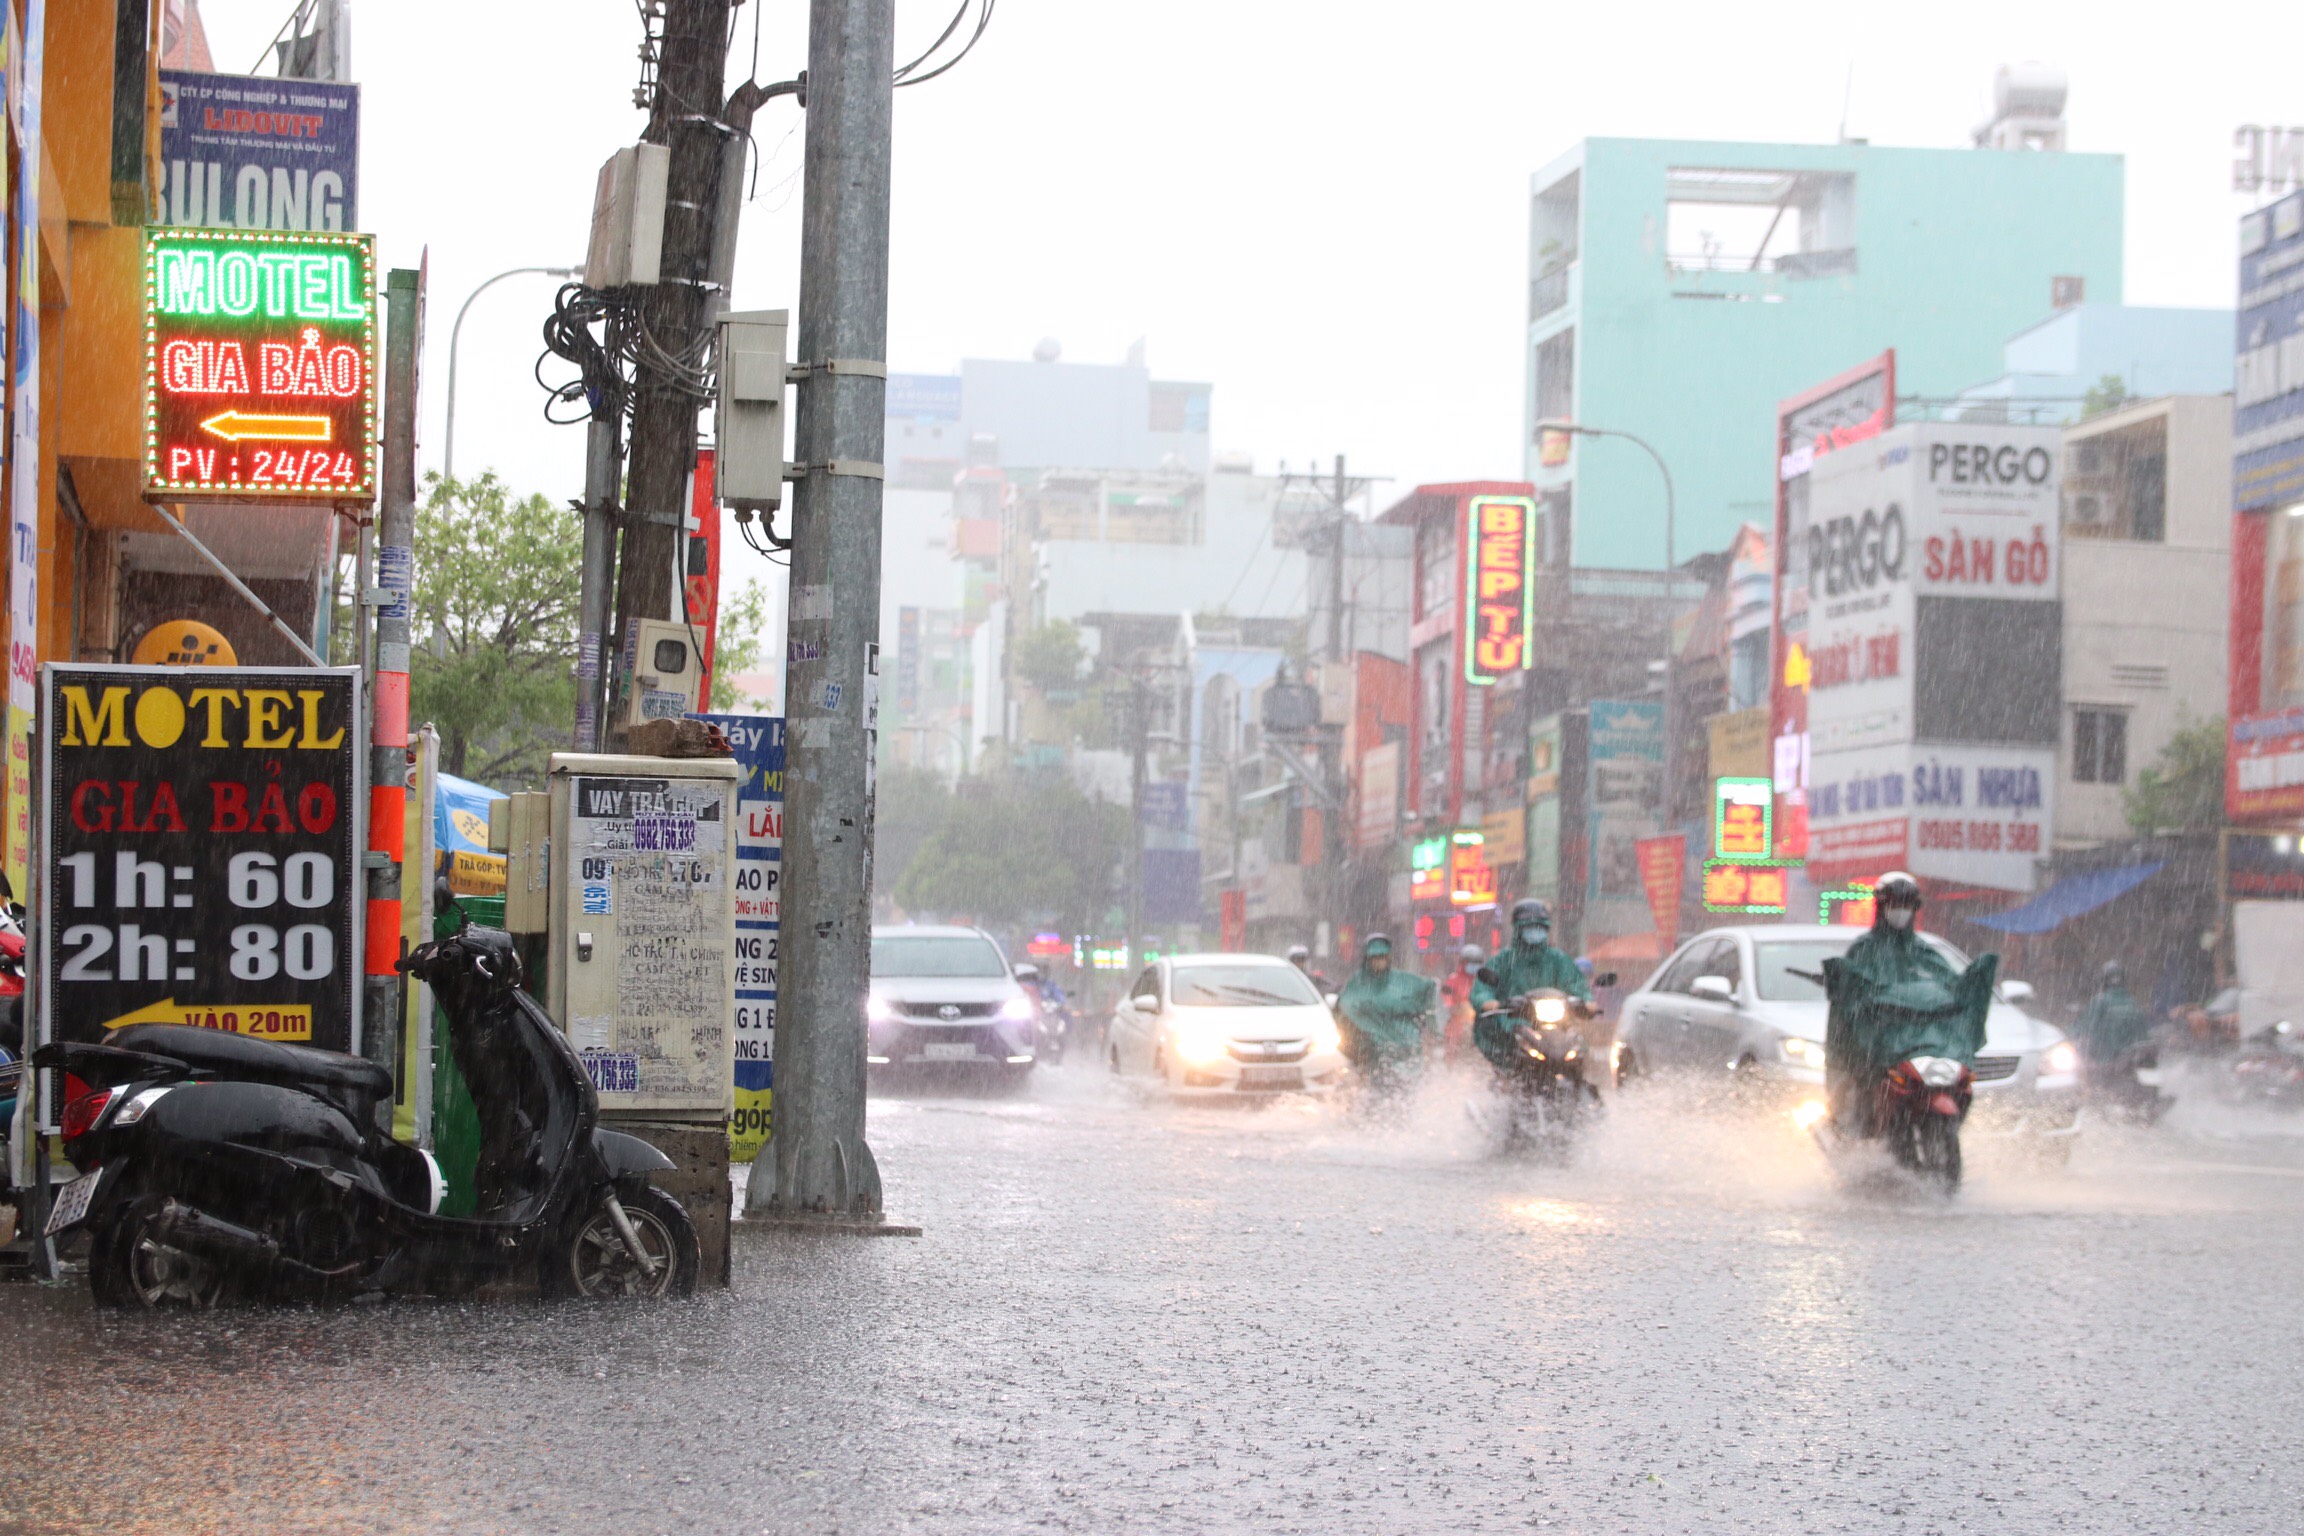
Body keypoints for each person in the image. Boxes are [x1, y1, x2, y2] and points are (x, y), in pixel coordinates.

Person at [1820, 871, 1997, 1138]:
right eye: (1894, 904)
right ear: (1882, 906)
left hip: (1923, 1052)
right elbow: (1854, 999)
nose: (1900, 911)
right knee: (1861, 1089)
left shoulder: (1925, 952)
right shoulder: (1865, 950)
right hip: (1882, 1048)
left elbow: (1948, 989)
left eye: (1906, 905)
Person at [1471, 898, 1590, 1075]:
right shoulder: (1504, 960)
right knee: (1502, 1041)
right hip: (1515, 1022)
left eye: (1540, 927)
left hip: (1557, 1025)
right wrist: (1491, 1002)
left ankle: (1581, 1085)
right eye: (1529, 927)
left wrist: (1586, 1001)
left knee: (1578, 1046)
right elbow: (1482, 989)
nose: (1535, 931)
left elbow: (1576, 985)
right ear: (1518, 929)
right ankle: (1508, 1080)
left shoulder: (1558, 960)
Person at [1334, 934, 1439, 1098]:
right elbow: (1346, 1011)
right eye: (1374, 958)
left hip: (1405, 1049)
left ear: (1388, 958)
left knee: (1407, 1091)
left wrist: (1431, 1029)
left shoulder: (1403, 982)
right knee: (1376, 1092)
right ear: (1367, 959)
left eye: (1382, 957)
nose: (1378, 962)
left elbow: (1428, 993)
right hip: (1372, 1051)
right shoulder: (1358, 983)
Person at [2074, 961, 2151, 1069]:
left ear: (2103, 980)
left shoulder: (2099, 1002)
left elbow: (2086, 1027)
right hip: (2134, 1058)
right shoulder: (2133, 1002)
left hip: (2108, 1061)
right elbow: (2143, 1029)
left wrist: (2071, 1034)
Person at [1439, 943, 1484, 1058]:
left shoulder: (1483, 981)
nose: (1473, 965)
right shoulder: (1453, 980)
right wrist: (1452, 1006)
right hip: (1458, 1020)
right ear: (1463, 962)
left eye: (1477, 962)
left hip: (1479, 1020)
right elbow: (1446, 997)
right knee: (1452, 1041)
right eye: (1470, 962)